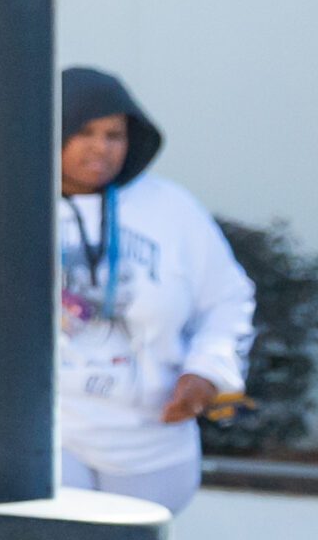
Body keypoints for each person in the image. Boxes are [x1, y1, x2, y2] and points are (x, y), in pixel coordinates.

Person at [57, 67, 254, 513]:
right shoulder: (11, 208)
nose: (101, 147)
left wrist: (207, 371)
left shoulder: (171, 208)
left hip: (152, 440)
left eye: (114, 134)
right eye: (84, 131)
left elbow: (228, 299)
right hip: (53, 435)